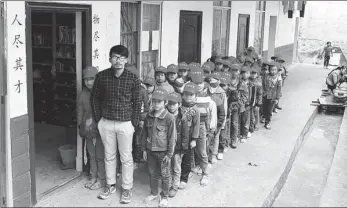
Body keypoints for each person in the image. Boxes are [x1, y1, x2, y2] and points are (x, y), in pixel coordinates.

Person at [91, 45, 141, 203]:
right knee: (109, 155)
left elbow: (137, 101)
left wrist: (133, 123)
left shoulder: (133, 78)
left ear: (126, 60)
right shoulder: (101, 77)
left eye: (121, 58)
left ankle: (126, 188)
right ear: (110, 58)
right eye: (115, 57)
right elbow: (95, 98)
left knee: (126, 157)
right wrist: (99, 120)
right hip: (106, 122)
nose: (118, 61)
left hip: (125, 124)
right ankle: (110, 185)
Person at [141, 88, 177, 207]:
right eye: (154, 101)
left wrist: (169, 154)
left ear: (165, 102)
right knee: (152, 173)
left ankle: (165, 196)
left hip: (163, 153)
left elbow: (172, 138)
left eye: (159, 101)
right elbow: (144, 134)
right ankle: (154, 192)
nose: (156, 104)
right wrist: (144, 150)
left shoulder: (169, 118)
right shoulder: (148, 116)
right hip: (150, 151)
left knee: (165, 175)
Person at [77, 66, 105, 191]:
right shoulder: (82, 94)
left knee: (100, 155)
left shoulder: (102, 92)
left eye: (91, 79)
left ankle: (101, 179)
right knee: (91, 154)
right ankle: (93, 176)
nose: (88, 82)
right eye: (86, 79)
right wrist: (81, 125)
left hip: (101, 127)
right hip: (88, 128)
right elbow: (80, 111)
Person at [166, 92, 189, 198]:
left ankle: (174, 186)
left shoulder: (182, 117)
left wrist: (184, 148)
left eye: (174, 104)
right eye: (169, 104)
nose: (171, 106)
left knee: (176, 167)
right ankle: (168, 184)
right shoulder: (165, 115)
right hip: (167, 146)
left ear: (179, 104)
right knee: (167, 167)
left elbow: (185, 134)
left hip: (178, 147)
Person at [179, 82, 201, 189]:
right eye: (186, 94)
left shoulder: (196, 110)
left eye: (191, 95)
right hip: (179, 134)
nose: (188, 97)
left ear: (196, 96)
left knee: (187, 157)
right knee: (178, 155)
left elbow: (197, 125)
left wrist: (194, 139)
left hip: (189, 136)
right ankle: (176, 175)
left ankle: (184, 178)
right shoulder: (179, 106)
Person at [262, 63, 282, 130]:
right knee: (264, 108)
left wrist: (277, 98)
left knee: (269, 110)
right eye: (272, 70)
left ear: (277, 70)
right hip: (265, 95)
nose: (273, 71)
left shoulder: (278, 78)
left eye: (275, 70)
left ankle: (267, 122)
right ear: (269, 70)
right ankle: (264, 117)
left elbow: (279, 89)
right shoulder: (266, 76)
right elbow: (263, 84)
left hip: (273, 96)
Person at [228, 64, 241, 148]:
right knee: (227, 122)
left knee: (234, 122)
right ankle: (227, 139)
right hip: (228, 104)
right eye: (233, 70)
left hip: (236, 105)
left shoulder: (240, 82)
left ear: (239, 72)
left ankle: (234, 139)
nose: (234, 72)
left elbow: (244, 95)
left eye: (236, 70)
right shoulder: (227, 80)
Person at [238, 66, 252, 143]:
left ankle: (244, 134)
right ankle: (240, 133)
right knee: (240, 119)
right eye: (243, 73)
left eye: (246, 73)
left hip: (247, 104)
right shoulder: (239, 83)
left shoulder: (251, 84)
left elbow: (253, 94)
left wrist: (251, 102)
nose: (244, 75)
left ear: (249, 74)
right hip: (240, 103)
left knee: (246, 120)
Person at [249, 67, 263, 133]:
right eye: (252, 73)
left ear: (257, 74)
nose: (253, 75)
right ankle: (250, 126)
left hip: (255, 102)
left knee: (256, 114)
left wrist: (258, 103)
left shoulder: (258, 84)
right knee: (250, 115)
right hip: (249, 101)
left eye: (255, 73)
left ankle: (255, 125)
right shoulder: (248, 82)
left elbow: (260, 94)